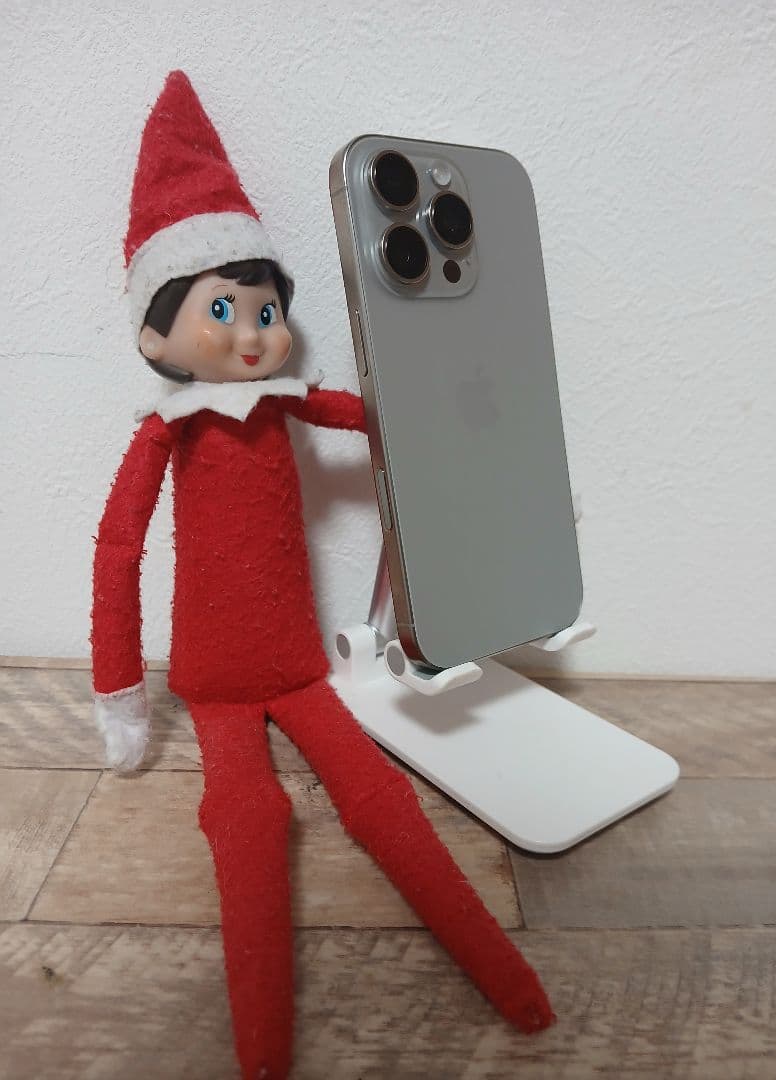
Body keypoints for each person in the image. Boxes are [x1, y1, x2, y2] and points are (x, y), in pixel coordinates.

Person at [92, 70, 553, 1080]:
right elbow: (117, 554)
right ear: (153, 336)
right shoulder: (165, 437)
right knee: (244, 820)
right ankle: (262, 1055)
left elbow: (381, 419)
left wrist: (464, 413)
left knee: (380, 800)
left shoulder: (287, 405)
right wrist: (121, 691)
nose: (253, 330)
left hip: (300, 665)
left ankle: (515, 986)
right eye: (224, 307)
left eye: (266, 307)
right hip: (213, 681)